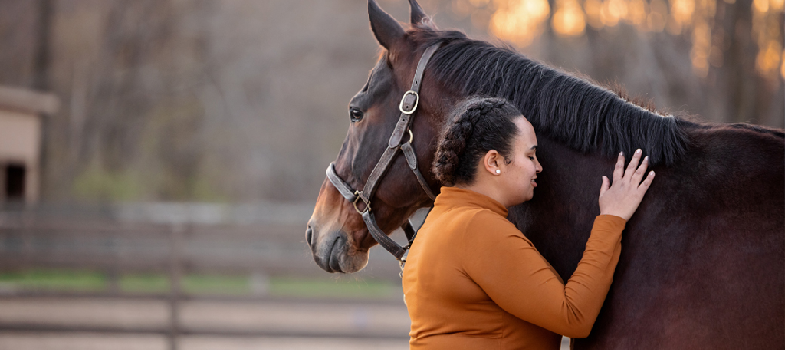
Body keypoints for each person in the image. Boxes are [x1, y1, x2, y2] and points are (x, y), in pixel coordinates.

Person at [402, 97, 655, 349]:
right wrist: (612, 219)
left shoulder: (436, 223)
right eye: (530, 155)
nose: (539, 167)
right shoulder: (479, 228)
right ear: (494, 162)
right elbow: (573, 316)